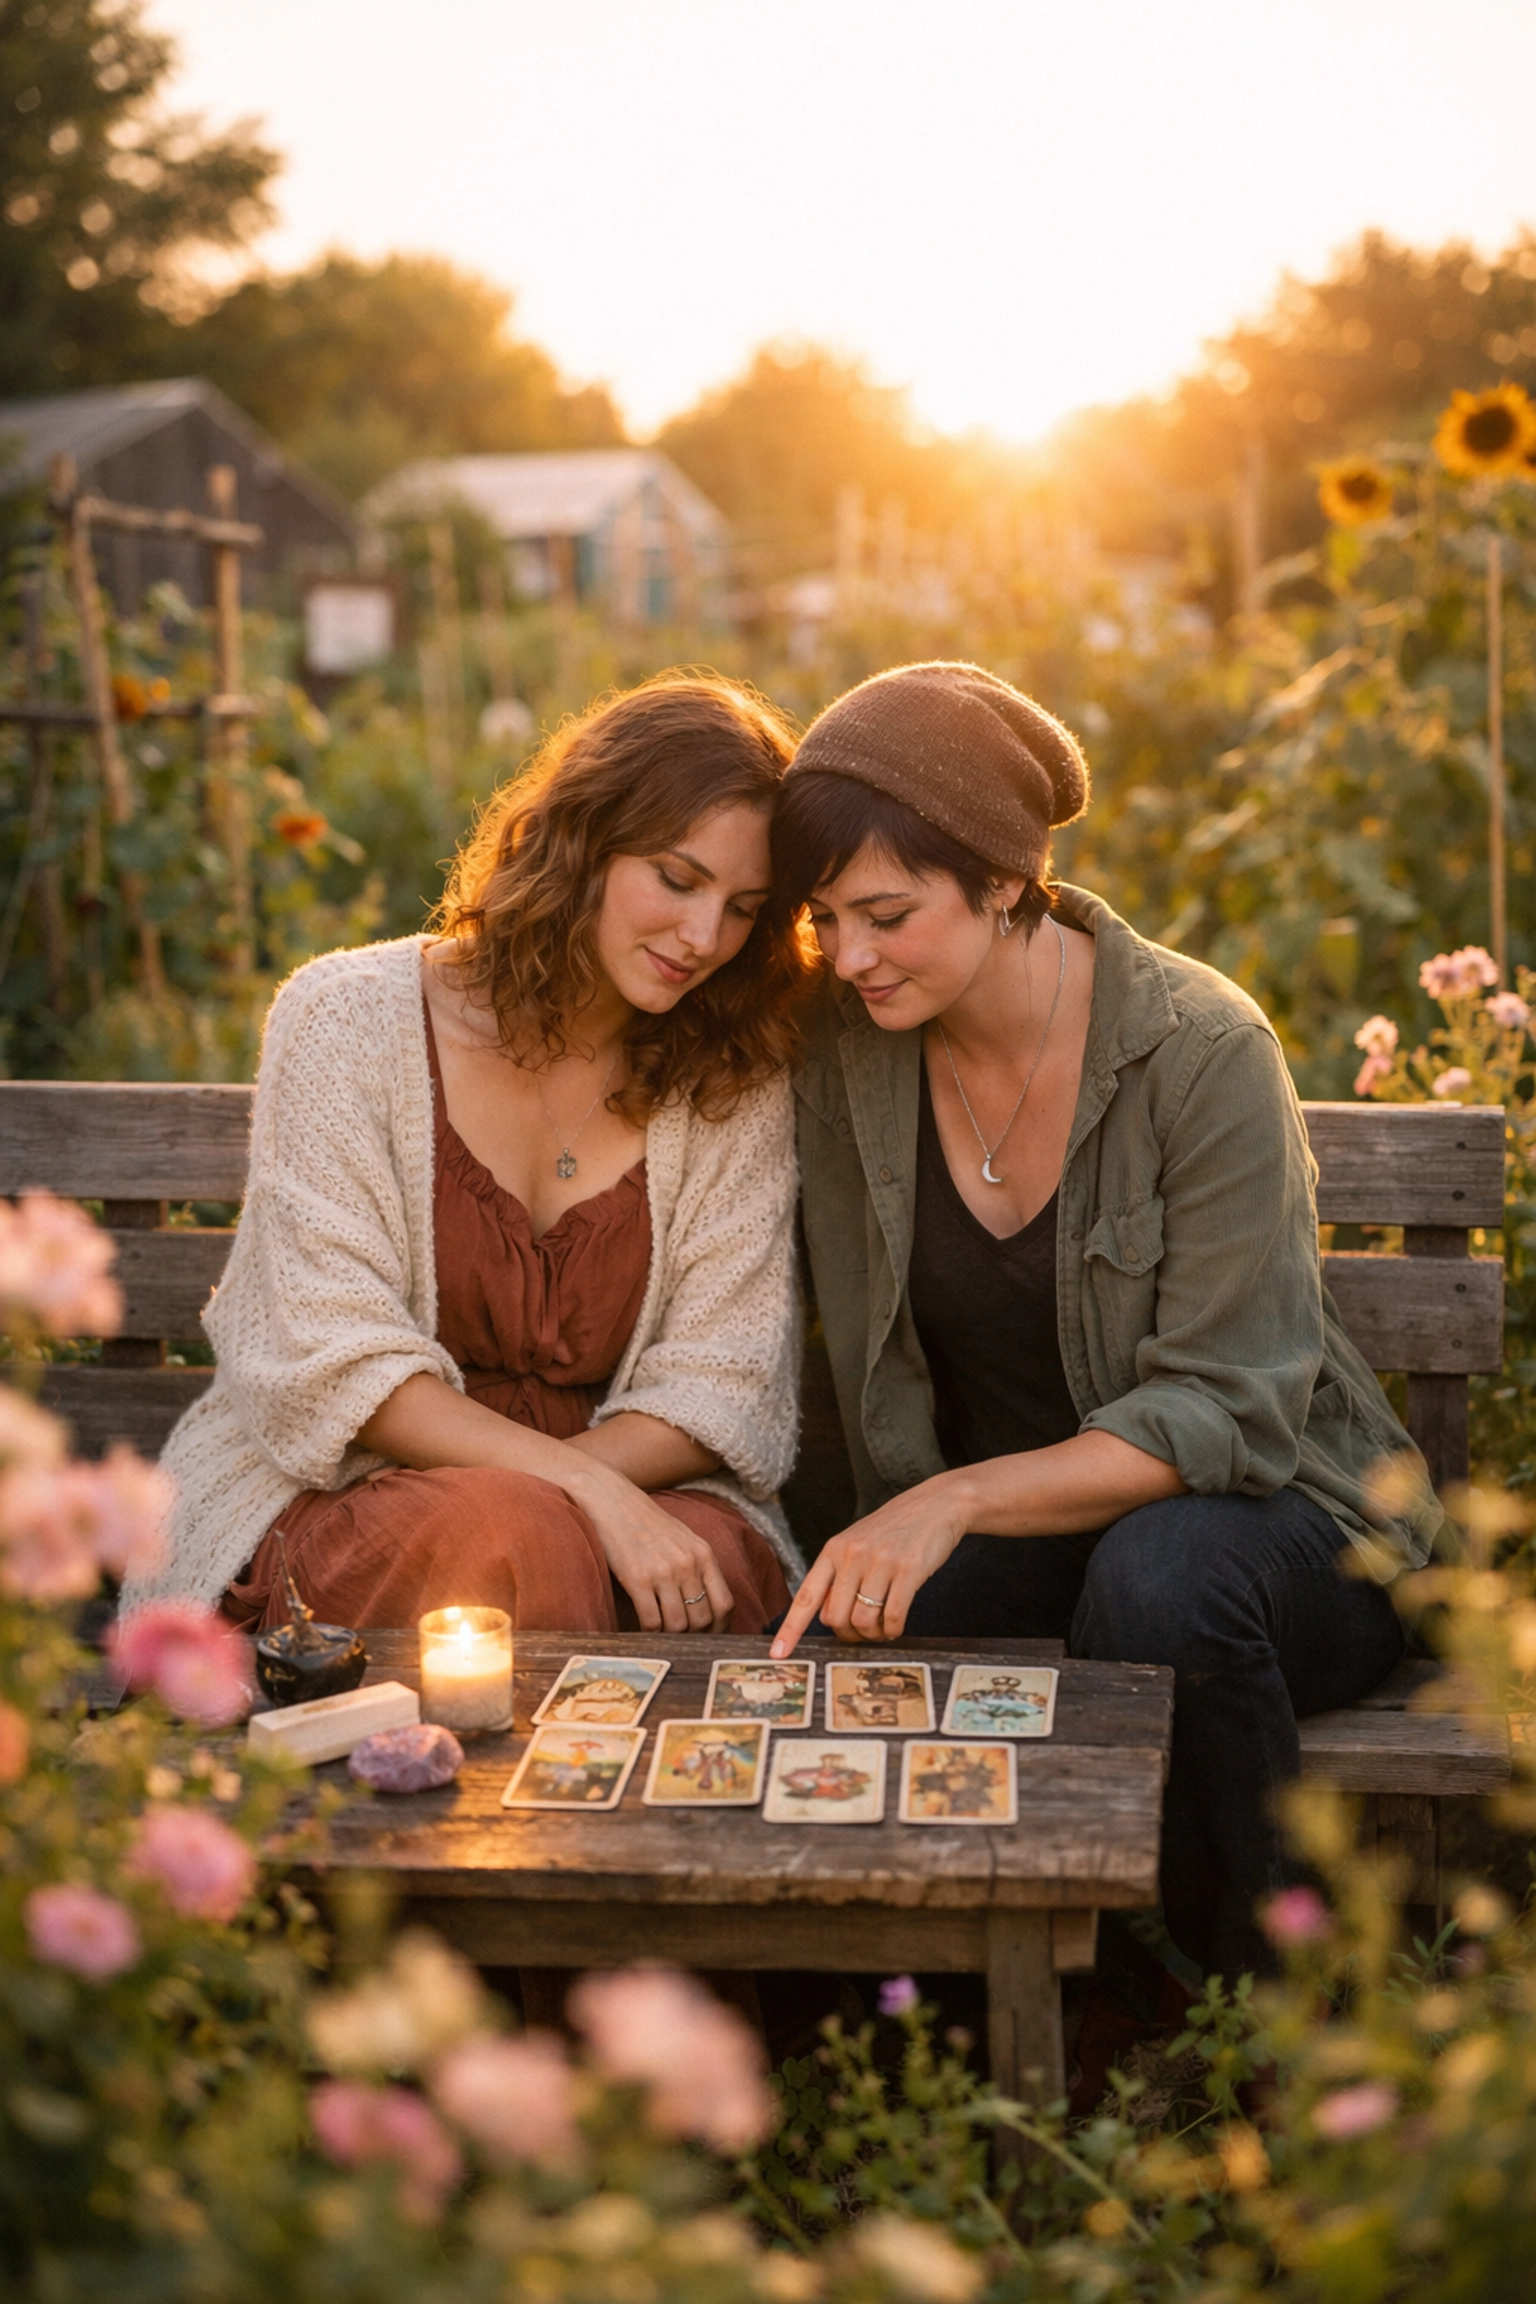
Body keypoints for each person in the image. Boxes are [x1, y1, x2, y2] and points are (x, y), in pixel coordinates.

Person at [768, 660, 1439, 1980]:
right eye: (825, 917)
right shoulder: (847, 1052)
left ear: (1006, 880)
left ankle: (1256, 1999)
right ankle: (975, 2003)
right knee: (871, 1616)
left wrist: (951, 1501)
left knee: (1164, 1579)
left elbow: (1229, 1408)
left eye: (889, 914)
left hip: (1286, 1534)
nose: (850, 956)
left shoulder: (1202, 1048)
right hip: (1040, 1532)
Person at [126, 673, 812, 1640]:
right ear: (582, 843)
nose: (705, 938)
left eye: (745, 908)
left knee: (717, 1571)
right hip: (349, 1494)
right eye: (677, 877)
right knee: (514, 1537)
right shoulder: (347, 1022)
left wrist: (589, 1492)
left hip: (630, 1482)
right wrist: (576, 1489)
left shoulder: (730, 1073)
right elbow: (338, 1362)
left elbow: (723, 1381)